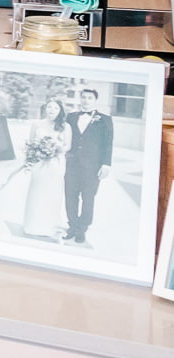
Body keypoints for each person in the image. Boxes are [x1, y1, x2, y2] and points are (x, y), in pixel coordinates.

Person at [64, 86, 114, 245]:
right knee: (70, 196)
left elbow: (108, 144)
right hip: (71, 164)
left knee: (88, 197)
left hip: (92, 166)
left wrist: (106, 164)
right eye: (84, 97)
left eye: (89, 98)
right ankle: (72, 226)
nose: (86, 100)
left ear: (95, 100)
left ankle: (82, 229)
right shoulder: (70, 117)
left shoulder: (105, 119)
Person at [22, 98, 70, 239]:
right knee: (37, 193)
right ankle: (33, 225)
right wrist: (35, 153)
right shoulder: (37, 124)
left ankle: (49, 226)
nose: (52, 110)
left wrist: (55, 149)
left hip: (55, 164)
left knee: (52, 194)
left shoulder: (65, 126)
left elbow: (68, 146)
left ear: (60, 110)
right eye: (49, 107)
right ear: (45, 108)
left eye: (55, 108)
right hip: (39, 163)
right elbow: (30, 143)